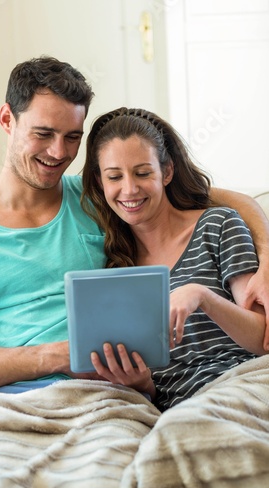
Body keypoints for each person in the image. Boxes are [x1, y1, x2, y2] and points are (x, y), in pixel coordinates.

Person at [0, 57, 268, 395]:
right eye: (44, 134)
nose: (58, 152)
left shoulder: (102, 199)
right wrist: (55, 356)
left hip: (110, 399)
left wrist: (267, 258)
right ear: (8, 119)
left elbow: (214, 198)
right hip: (11, 399)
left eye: (72, 137)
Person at [81, 107, 268, 410]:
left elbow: (262, 339)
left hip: (242, 383)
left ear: (166, 172)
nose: (129, 189)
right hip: (175, 407)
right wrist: (142, 384)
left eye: (143, 173)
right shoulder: (116, 266)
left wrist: (201, 295)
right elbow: (155, 384)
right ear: (100, 182)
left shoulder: (218, 225)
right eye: (115, 176)